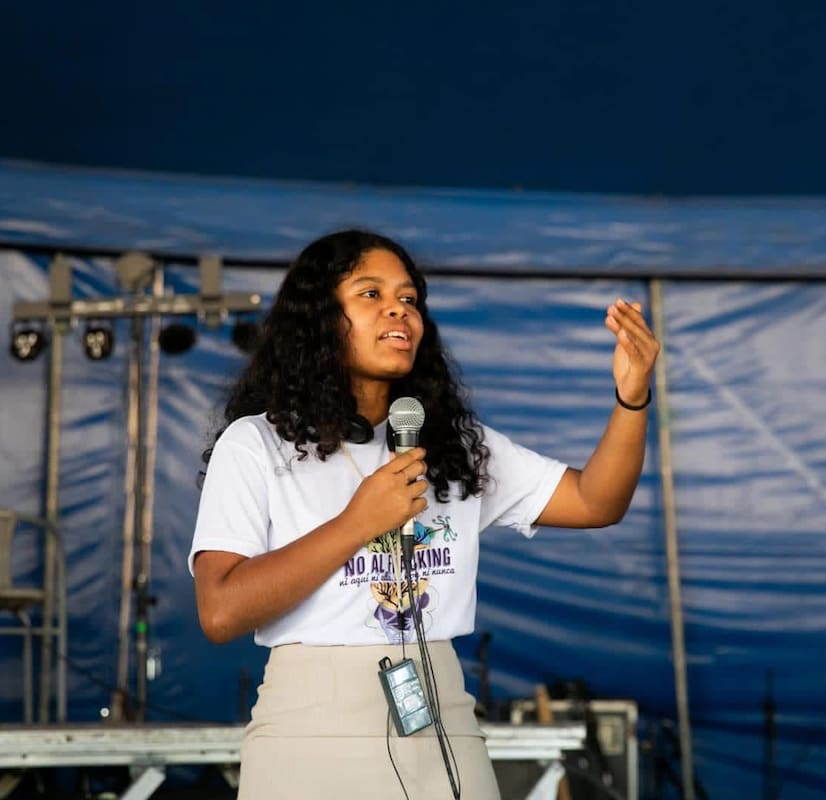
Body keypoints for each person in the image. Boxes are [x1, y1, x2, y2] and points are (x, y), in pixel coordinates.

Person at [190, 229, 659, 800]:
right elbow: (220, 611)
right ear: (318, 318)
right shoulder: (257, 444)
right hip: (310, 732)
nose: (398, 310)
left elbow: (596, 501)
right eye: (371, 293)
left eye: (409, 298)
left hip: (442, 722)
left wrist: (632, 398)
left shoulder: (454, 446)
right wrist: (356, 524)